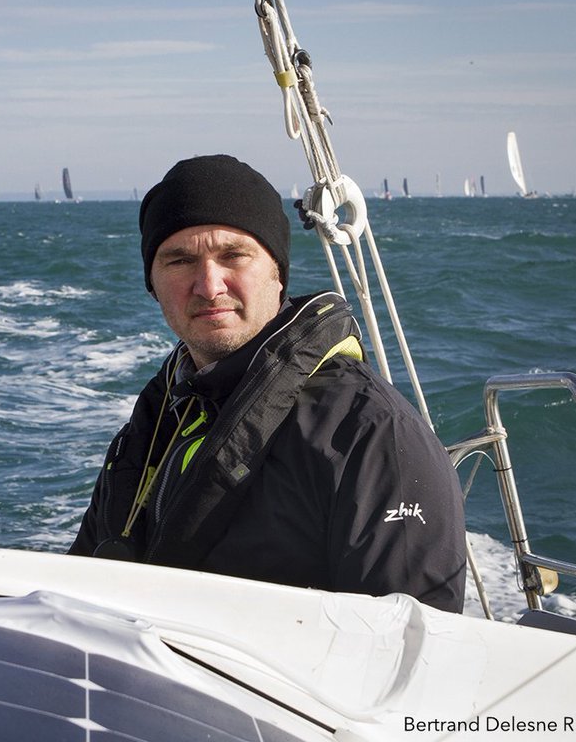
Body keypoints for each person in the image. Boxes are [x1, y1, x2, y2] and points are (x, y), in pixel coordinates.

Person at [68, 154, 467, 613]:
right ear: (153, 284)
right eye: (179, 260)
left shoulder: (372, 434)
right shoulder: (162, 418)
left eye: (233, 255)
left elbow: (412, 647)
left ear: (277, 271)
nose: (208, 284)